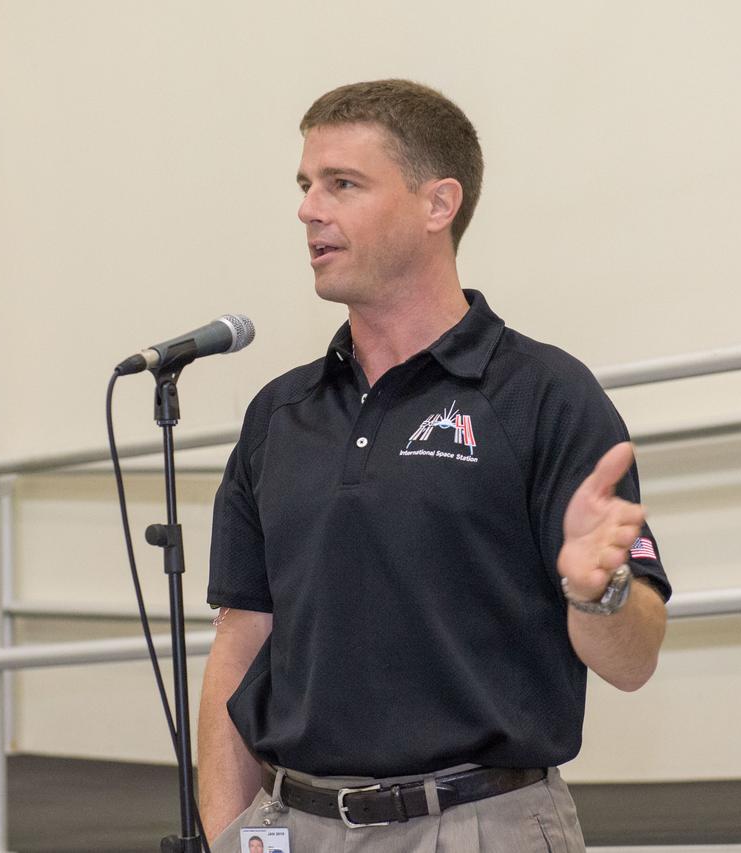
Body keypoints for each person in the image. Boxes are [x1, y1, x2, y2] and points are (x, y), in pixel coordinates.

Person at [197, 79, 671, 852]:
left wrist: (601, 589)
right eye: (306, 185)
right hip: (293, 825)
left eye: (342, 184)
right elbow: (241, 639)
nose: (309, 209)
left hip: (481, 825)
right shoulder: (279, 416)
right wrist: (226, 834)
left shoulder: (544, 396)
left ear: (437, 204)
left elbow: (634, 659)